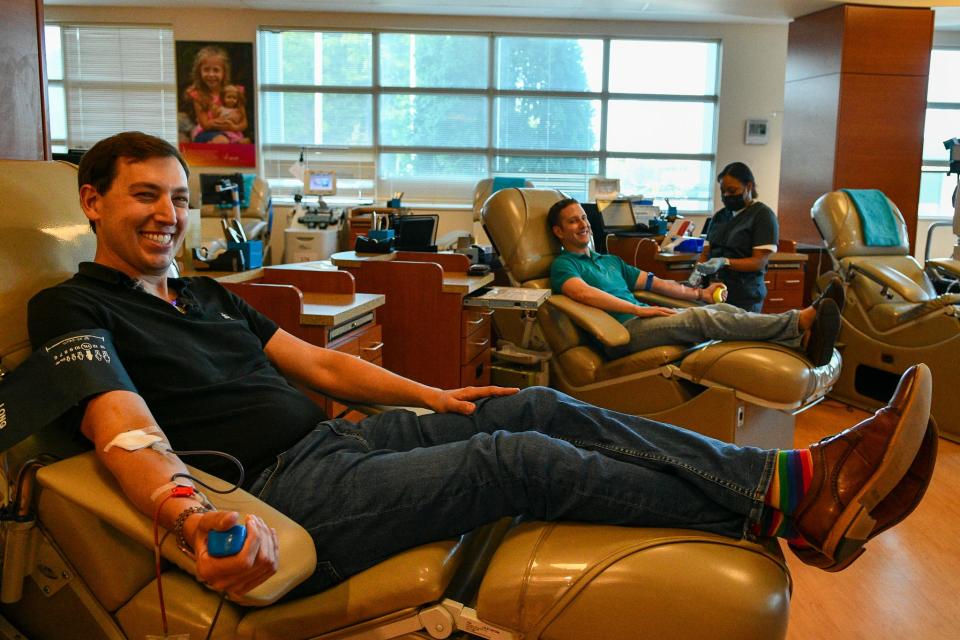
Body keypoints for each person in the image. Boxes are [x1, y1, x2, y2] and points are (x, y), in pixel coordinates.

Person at [27, 132, 933, 599]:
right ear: (92, 200)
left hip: (340, 447)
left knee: (531, 410)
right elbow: (119, 423)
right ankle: (789, 505)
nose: (168, 215)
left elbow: (324, 369)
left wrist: (437, 396)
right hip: (274, 492)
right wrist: (186, 511)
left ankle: (783, 476)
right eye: (146, 196)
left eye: (179, 199)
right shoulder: (72, 306)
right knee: (519, 461)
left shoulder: (205, 297)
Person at [549, 197, 843, 366]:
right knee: (703, 321)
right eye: (573, 221)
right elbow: (584, 295)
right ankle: (797, 322)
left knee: (723, 312)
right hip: (622, 334)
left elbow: (657, 283)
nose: (583, 224)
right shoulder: (564, 265)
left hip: (644, 322)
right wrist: (639, 310)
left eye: (584, 218)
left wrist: (700, 294)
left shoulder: (609, 260)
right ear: (559, 232)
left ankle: (801, 342)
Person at [697, 162, 779, 311]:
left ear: (748, 186)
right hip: (713, 292)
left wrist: (725, 262)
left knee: (739, 333)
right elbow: (706, 251)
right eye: (723, 191)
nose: (726, 195)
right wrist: (698, 272)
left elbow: (759, 261)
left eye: (732, 190)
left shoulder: (762, 216)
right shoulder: (719, 216)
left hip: (744, 296)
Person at [183, 46, 246, 144]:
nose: (211, 74)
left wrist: (234, 127)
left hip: (232, 132)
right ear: (199, 72)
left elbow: (244, 123)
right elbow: (205, 125)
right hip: (205, 132)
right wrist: (226, 123)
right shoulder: (199, 95)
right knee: (222, 141)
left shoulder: (233, 92)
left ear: (224, 72)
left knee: (245, 142)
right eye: (206, 70)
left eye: (216, 70)